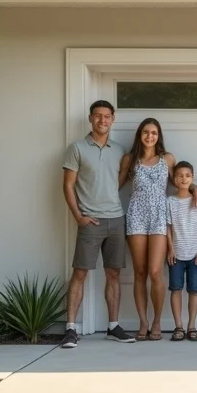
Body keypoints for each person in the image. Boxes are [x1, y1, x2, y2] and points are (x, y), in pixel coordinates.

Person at [118, 118, 197, 341]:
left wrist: (195, 189)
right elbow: (115, 185)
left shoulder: (168, 158)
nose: (150, 136)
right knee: (140, 272)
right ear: (140, 134)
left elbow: (179, 181)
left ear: (159, 135)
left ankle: (156, 321)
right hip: (136, 215)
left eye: (154, 132)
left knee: (155, 272)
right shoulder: (130, 159)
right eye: (146, 132)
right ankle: (143, 322)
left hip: (159, 217)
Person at [60, 100, 136, 348]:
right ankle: (71, 328)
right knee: (80, 273)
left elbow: (119, 182)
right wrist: (78, 216)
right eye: (97, 116)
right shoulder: (77, 148)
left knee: (114, 274)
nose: (102, 120)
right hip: (90, 220)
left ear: (113, 119)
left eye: (107, 116)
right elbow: (68, 185)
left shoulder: (119, 150)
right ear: (90, 118)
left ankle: (113, 326)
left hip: (116, 219)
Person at [166, 161, 197, 342]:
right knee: (175, 289)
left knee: (194, 290)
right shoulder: (169, 201)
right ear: (174, 180)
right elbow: (167, 227)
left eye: (187, 175)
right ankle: (178, 326)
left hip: (194, 255)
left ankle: (192, 326)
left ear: (192, 177)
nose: (183, 178)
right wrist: (170, 250)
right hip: (176, 255)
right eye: (180, 175)